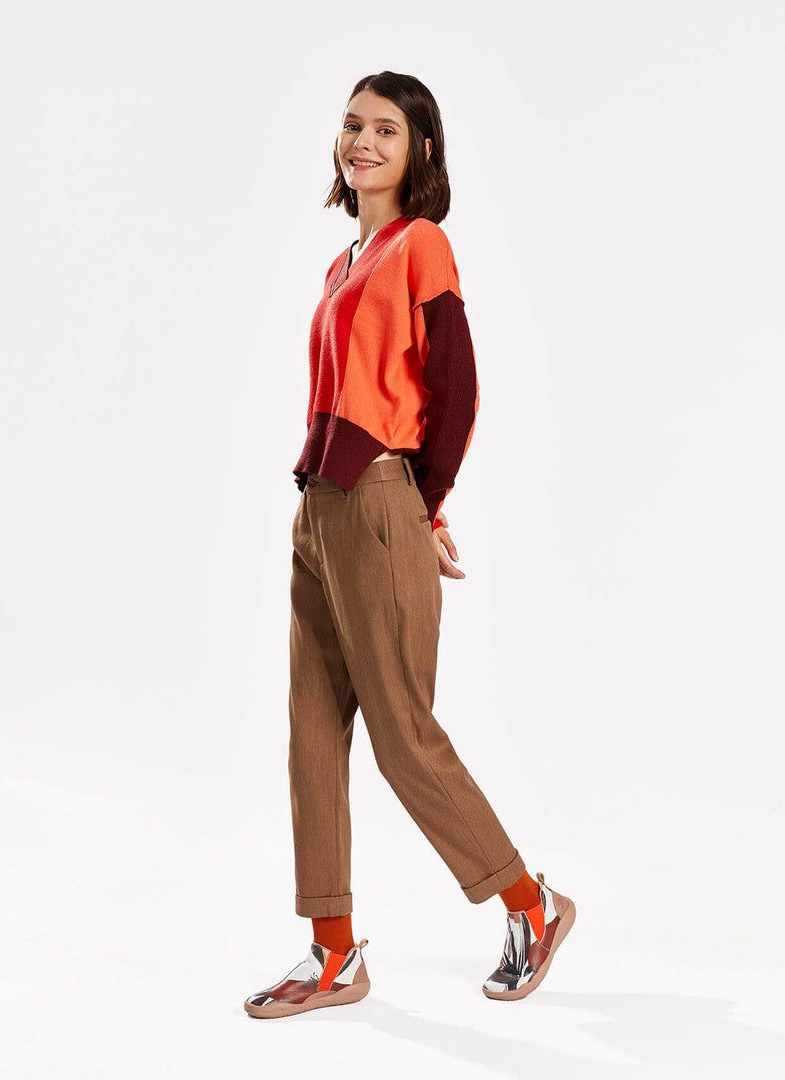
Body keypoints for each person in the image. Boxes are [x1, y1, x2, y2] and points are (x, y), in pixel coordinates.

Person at [243, 72, 575, 1020]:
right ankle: (334, 954)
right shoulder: (343, 262)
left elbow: (456, 389)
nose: (362, 141)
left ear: (420, 149)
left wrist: (422, 505)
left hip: (377, 498)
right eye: (352, 125)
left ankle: (531, 902)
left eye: (386, 129)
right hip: (318, 506)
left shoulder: (422, 244)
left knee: (402, 736)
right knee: (312, 734)